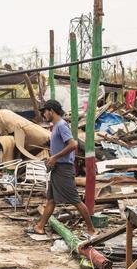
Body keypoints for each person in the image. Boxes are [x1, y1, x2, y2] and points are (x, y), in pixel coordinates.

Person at [32, 99, 96, 235]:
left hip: (63, 168)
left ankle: (91, 229)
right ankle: (40, 226)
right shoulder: (56, 126)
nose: (44, 115)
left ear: (52, 111)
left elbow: (73, 145)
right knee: (51, 199)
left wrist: (55, 157)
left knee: (75, 200)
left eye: (45, 112)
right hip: (57, 168)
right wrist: (52, 157)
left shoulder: (61, 125)